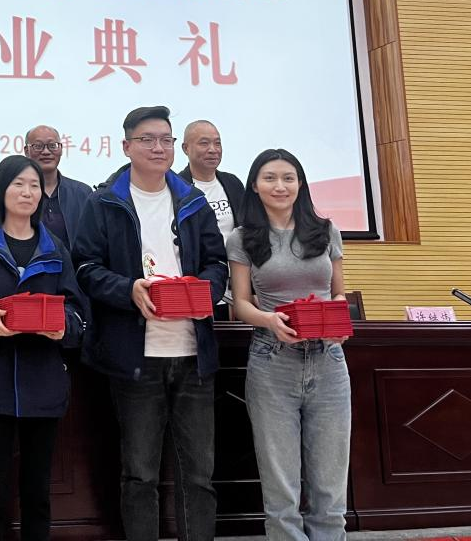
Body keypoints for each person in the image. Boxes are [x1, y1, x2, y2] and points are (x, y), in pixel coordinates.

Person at [73, 105, 227, 541]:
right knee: (140, 473)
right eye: (147, 139)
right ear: (127, 146)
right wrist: (128, 289)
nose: (158, 148)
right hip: (135, 357)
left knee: (199, 473)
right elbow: (84, 267)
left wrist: (206, 291)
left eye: (165, 140)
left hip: (193, 355)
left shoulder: (193, 201)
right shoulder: (104, 202)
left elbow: (217, 263)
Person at [0, 155, 86, 541]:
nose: (27, 192)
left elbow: (78, 313)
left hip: (43, 384)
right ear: (0, 191)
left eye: (34, 185)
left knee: (38, 493)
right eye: (18, 184)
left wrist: (63, 327)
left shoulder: (55, 249)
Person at [227, 148, 350, 541]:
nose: (279, 186)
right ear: (254, 185)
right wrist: (269, 319)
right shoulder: (243, 238)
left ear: (300, 184)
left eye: (288, 178)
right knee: (281, 485)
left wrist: (338, 321)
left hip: (329, 360)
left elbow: (339, 294)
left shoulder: (326, 230)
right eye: (270, 178)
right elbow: (240, 303)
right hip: (272, 360)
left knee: (330, 480)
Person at [177, 119, 246, 317]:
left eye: (217, 143)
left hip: (238, 285)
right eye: (204, 143)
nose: (213, 150)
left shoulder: (232, 183)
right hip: (201, 285)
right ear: (185, 148)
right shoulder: (178, 188)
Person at [23, 124, 94, 249]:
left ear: (61, 149)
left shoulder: (82, 192)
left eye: (52, 146)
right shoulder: (20, 193)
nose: (46, 152)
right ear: (26, 151)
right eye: (38, 146)